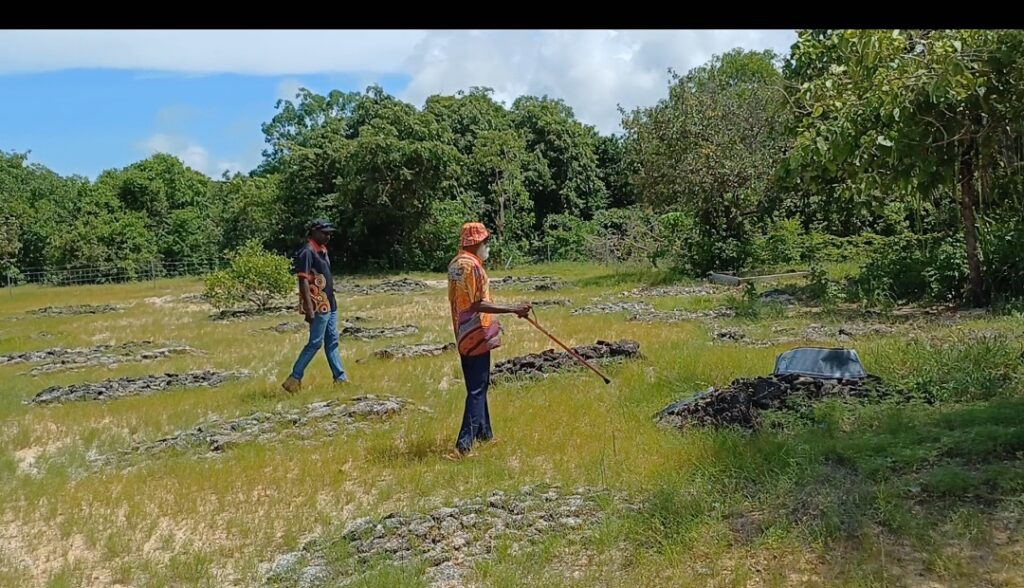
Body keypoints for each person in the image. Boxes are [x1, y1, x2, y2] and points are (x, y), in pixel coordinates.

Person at [446, 222, 531, 460]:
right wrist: (514, 309)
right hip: (476, 333)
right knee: (476, 388)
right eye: (485, 242)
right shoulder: (471, 266)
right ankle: (464, 445)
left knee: (478, 384)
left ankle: (485, 434)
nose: (487, 246)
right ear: (475, 243)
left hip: (463, 332)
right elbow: (477, 304)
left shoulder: (454, 264)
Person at [281, 219, 349, 393]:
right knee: (315, 343)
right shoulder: (307, 252)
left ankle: (340, 378)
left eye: (329, 233)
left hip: (330, 303)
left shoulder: (323, 250)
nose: (328, 236)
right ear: (313, 232)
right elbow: (303, 281)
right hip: (318, 305)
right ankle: (294, 378)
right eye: (324, 233)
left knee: (332, 341)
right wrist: (309, 309)